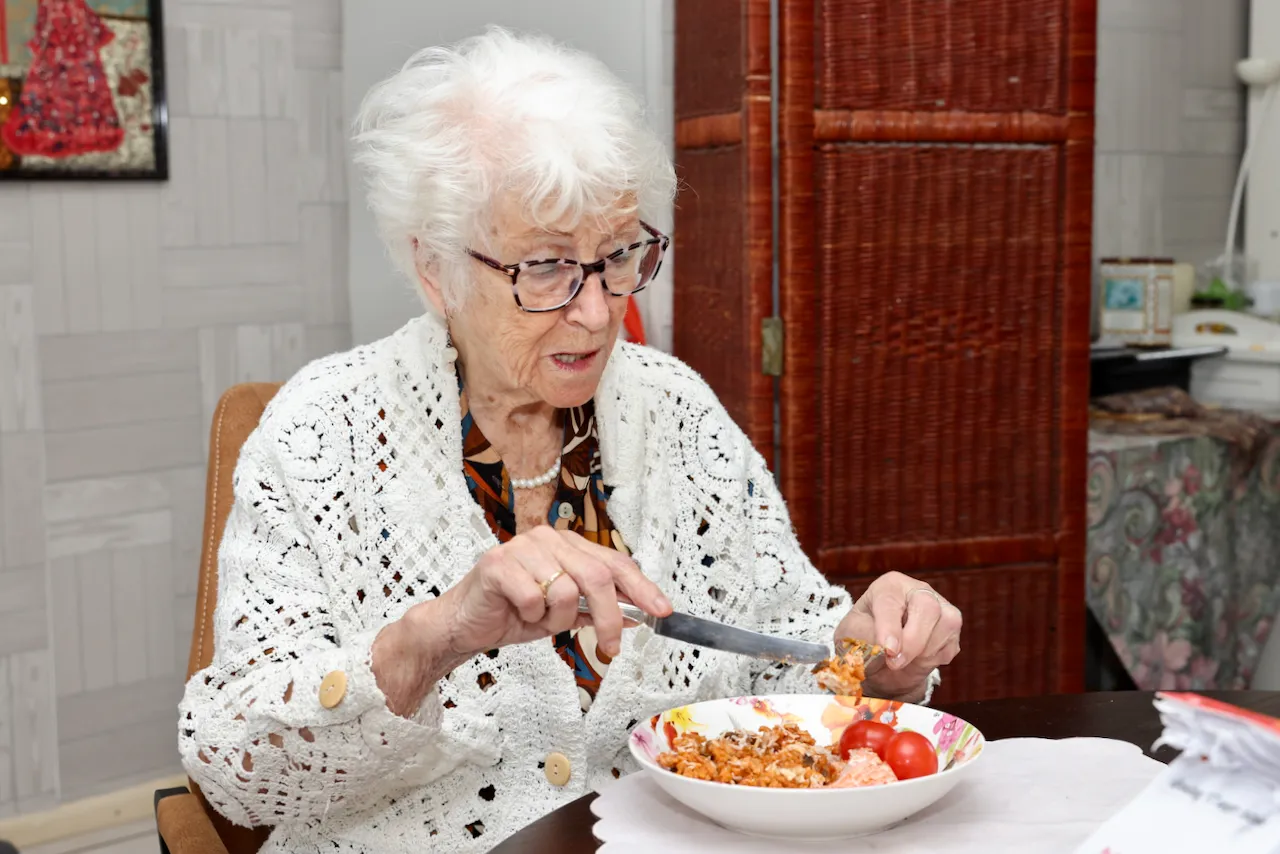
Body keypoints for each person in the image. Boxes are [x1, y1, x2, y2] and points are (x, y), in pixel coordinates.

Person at [178, 27, 962, 853]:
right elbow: (236, 766)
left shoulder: (675, 410)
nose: (597, 312)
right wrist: (440, 635)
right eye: (546, 268)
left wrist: (871, 658)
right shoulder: (323, 433)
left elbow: (784, 669)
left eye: (618, 255)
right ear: (434, 267)